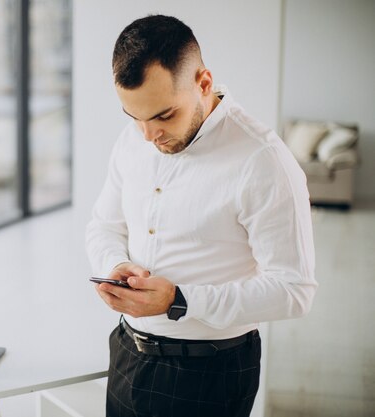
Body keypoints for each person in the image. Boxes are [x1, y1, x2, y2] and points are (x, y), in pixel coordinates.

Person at [85, 15, 317, 417]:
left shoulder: (264, 162)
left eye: (163, 116)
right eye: (134, 117)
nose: (149, 136)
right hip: (126, 353)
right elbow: (104, 225)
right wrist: (115, 265)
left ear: (204, 83)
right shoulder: (134, 140)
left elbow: (294, 290)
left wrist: (178, 300)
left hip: (209, 371)